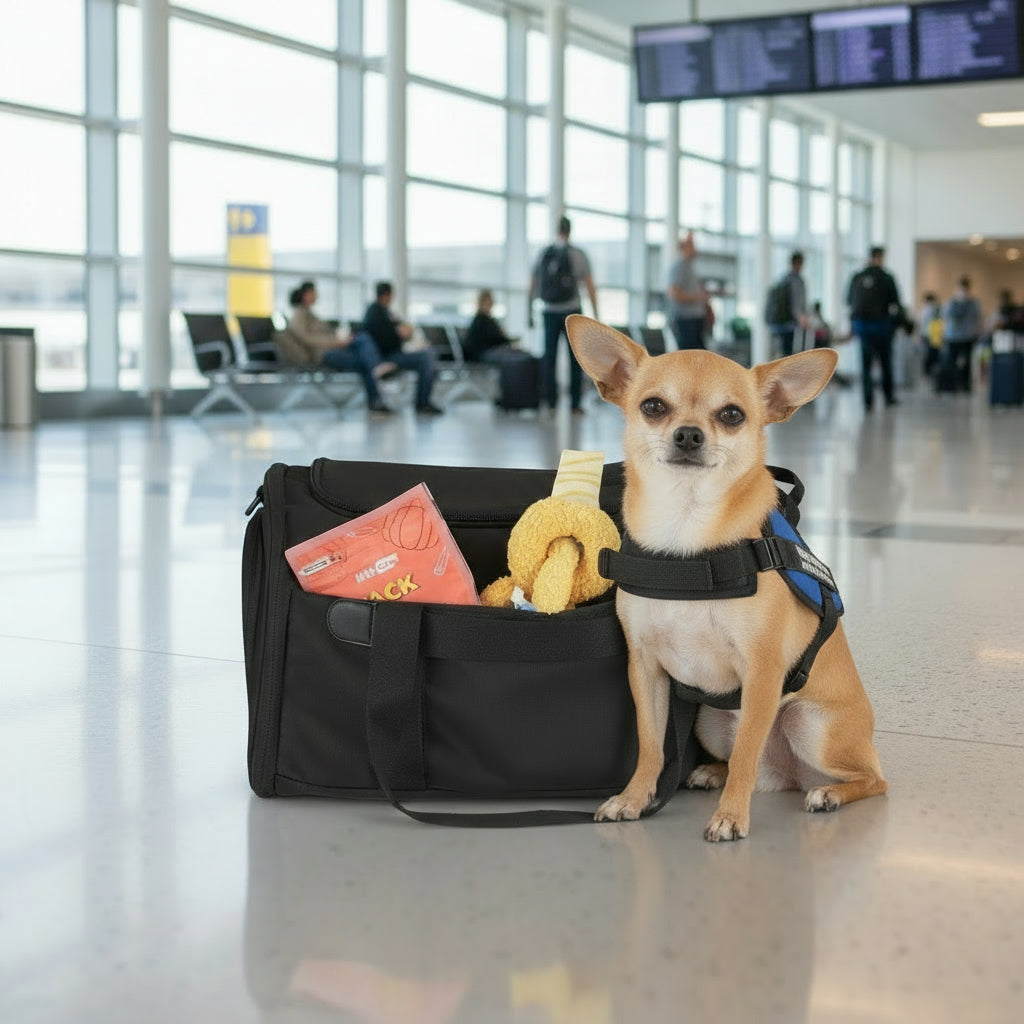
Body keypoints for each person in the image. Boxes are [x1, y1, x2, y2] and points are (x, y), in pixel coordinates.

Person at [279, 280, 397, 415]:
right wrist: (335, 342)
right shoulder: (299, 313)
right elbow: (306, 339)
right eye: (314, 293)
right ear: (305, 295)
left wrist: (340, 339)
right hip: (323, 354)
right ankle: (377, 376)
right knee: (363, 344)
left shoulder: (310, 314)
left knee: (362, 348)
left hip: (330, 349)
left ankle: (376, 393)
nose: (316, 296)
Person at [528, 215, 598, 414]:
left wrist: (529, 310)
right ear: (570, 230)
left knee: (549, 358)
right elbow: (589, 285)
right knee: (575, 358)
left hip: (548, 311)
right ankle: (575, 404)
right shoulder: (578, 254)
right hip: (572, 311)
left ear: (556, 230)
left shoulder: (544, 254)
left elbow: (532, 284)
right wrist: (595, 313)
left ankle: (551, 402)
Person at [361, 281, 444, 415]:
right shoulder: (375, 312)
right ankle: (423, 403)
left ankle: (424, 399)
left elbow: (404, 330)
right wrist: (398, 334)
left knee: (428, 354)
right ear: (387, 295)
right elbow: (385, 338)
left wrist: (405, 332)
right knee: (426, 358)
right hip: (387, 356)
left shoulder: (386, 312)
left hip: (394, 353)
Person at [846, 246, 903, 411]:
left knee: (866, 365)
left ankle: (867, 400)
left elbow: (849, 301)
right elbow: (896, 303)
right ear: (880, 257)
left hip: (863, 328)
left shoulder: (857, 277)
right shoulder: (886, 277)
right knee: (886, 363)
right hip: (882, 327)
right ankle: (888, 396)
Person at [665, 231, 710, 350]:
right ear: (683, 248)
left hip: (694, 322)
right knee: (690, 359)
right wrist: (698, 297)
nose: (695, 248)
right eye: (692, 245)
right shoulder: (679, 267)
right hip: (687, 322)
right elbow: (674, 293)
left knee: (700, 360)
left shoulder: (690, 267)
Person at [941, 276, 983, 393]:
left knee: (967, 363)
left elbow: (978, 318)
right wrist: (956, 302)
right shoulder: (951, 302)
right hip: (952, 337)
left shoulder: (973, 303)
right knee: (951, 362)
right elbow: (945, 315)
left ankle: (965, 385)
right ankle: (951, 385)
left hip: (968, 336)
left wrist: (978, 333)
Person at [766, 251, 810, 357]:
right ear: (798, 263)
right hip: (789, 324)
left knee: (781, 352)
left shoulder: (783, 279)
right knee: (789, 354)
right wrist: (801, 318)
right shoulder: (796, 281)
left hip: (778, 323)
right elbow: (796, 302)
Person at [463, 289, 520, 364]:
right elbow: (496, 339)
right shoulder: (482, 319)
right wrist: (509, 341)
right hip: (481, 354)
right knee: (516, 356)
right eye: (488, 302)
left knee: (515, 354)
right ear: (482, 302)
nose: (491, 304)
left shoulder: (484, 319)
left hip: (483, 352)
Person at [917, 291, 942, 379]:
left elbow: (921, 324)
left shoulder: (925, 310)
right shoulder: (936, 309)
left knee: (928, 355)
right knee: (933, 355)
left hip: (927, 334)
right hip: (934, 335)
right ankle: (932, 372)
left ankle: (928, 372)